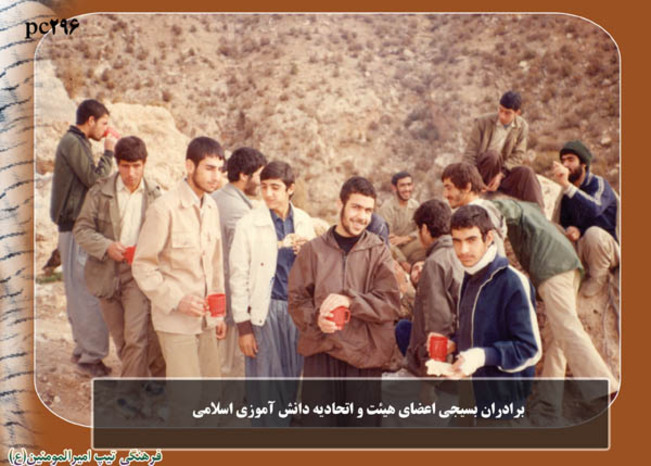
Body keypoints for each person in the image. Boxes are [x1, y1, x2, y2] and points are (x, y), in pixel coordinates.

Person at [288, 176, 400, 426]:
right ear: (340, 204)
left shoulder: (378, 251)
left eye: (368, 210)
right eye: (356, 207)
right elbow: (296, 301)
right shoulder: (313, 251)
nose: (362, 216)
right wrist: (317, 319)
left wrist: (350, 300)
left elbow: (390, 303)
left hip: (364, 357)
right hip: (322, 354)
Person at [492, 199, 618, 408]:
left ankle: (605, 388)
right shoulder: (534, 213)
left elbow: (505, 208)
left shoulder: (514, 207)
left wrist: (483, 206)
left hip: (554, 272)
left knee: (566, 328)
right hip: (569, 269)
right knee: (556, 337)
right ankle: (549, 401)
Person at [132, 137, 227, 377]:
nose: (216, 176)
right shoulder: (164, 209)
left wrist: (218, 315)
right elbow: (143, 266)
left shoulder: (211, 207)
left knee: (211, 389)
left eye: (220, 169)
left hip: (207, 320)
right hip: (175, 321)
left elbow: (215, 265)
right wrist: (178, 300)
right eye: (209, 168)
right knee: (187, 393)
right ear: (189, 166)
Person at [229, 161, 315, 424]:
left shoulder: (303, 221)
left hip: (295, 313)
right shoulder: (248, 224)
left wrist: (307, 254)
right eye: (264, 187)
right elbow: (238, 276)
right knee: (264, 384)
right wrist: (244, 327)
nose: (268, 193)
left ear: (290, 189)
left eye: (275, 187)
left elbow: (315, 273)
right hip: (264, 313)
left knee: (291, 380)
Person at [73, 136, 165, 378]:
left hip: (137, 275)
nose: (131, 173)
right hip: (105, 274)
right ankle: (146, 384)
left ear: (144, 164)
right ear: (117, 164)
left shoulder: (156, 196)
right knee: (123, 341)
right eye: (125, 166)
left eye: (136, 166)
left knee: (136, 337)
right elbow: (81, 229)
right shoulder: (100, 191)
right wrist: (106, 247)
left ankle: (133, 395)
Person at [446, 205, 541, 415]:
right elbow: (481, 331)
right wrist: (454, 343)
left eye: (471, 240)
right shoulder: (469, 277)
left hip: (503, 403)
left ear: (489, 238)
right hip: (471, 397)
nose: (463, 250)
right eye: (457, 241)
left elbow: (530, 351)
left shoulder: (512, 282)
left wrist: (483, 356)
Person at [49, 99, 116, 377]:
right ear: (90, 121)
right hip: (77, 227)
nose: (106, 129)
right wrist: (109, 152)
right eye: (104, 123)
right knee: (88, 291)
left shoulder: (75, 142)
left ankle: (82, 350)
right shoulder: (73, 143)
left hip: (71, 227)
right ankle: (91, 357)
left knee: (77, 291)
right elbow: (95, 179)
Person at [211, 147, 267, 378]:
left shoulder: (217, 198)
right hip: (229, 303)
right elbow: (239, 265)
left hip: (216, 299)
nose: (262, 183)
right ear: (244, 175)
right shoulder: (238, 211)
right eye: (259, 176)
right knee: (226, 369)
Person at [402, 199, 463, 377]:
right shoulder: (459, 253)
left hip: (439, 363)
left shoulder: (435, 262)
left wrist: (432, 368)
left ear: (425, 229)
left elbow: (438, 320)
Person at [552, 140, 619, 297]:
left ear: (583, 164)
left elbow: (594, 209)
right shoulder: (567, 193)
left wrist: (567, 186)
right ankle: (564, 274)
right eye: (563, 161)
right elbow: (563, 222)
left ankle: (599, 277)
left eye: (570, 160)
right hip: (583, 247)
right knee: (553, 229)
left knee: (593, 233)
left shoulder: (599, 184)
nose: (565, 164)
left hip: (606, 248)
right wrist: (571, 229)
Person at [463, 91, 544, 210]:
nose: (502, 116)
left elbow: (519, 155)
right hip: (481, 172)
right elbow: (470, 153)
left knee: (527, 173)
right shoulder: (483, 122)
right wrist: (471, 179)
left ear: (517, 113)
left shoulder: (522, 126)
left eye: (507, 113)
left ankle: (539, 215)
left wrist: (500, 175)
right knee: (493, 155)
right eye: (500, 110)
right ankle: (479, 192)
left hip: (503, 174)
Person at [441, 162, 507, 256]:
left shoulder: (484, 215)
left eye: (449, 188)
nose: (445, 194)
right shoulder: (480, 212)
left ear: (467, 187)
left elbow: (497, 255)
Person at [378, 171, 426, 268]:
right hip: (394, 251)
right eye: (402, 185)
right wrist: (402, 261)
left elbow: (421, 230)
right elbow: (386, 241)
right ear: (394, 188)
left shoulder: (415, 205)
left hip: (409, 245)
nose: (407, 189)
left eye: (409, 184)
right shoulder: (387, 208)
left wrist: (406, 238)